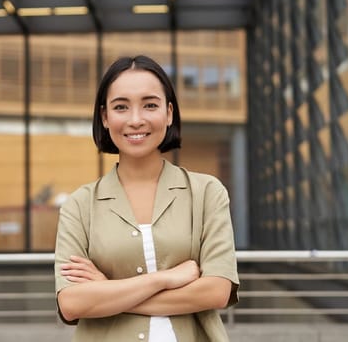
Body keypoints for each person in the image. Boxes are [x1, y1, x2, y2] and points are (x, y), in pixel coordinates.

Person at [54, 55, 239, 341]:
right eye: (121, 107)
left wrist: (108, 290)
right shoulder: (80, 205)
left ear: (168, 113)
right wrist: (164, 279)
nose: (136, 119)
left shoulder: (206, 193)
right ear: (105, 117)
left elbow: (216, 291)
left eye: (150, 105)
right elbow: (72, 304)